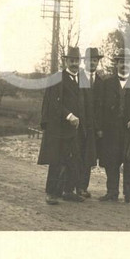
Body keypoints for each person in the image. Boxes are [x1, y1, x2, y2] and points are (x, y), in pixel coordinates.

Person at [97, 48, 130, 203]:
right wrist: (100, 128)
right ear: (116, 64)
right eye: (121, 62)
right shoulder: (107, 83)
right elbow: (100, 107)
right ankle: (112, 192)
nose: (123, 65)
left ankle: (129, 194)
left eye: (126, 62)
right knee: (111, 162)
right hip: (111, 130)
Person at [37, 47, 85, 205]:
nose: (74, 63)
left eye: (76, 60)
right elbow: (54, 103)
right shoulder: (57, 78)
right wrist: (69, 116)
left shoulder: (81, 79)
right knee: (56, 160)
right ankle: (52, 192)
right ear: (66, 61)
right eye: (71, 60)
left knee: (73, 160)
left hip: (75, 129)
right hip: (59, 128)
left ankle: (68, 191)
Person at [77, 47, 105, 198]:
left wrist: (99, 127)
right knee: (75, 155)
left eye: (95, 60)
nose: (93, 63)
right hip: (79, 125)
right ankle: (71, 186)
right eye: (90, 60)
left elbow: (102, 108)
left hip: (93, 128)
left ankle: (83, 187)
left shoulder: (101, 82)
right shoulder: (78, 78)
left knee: (88, 157)